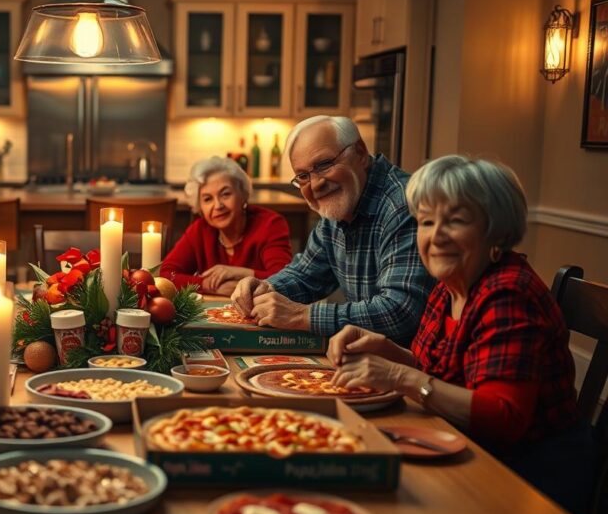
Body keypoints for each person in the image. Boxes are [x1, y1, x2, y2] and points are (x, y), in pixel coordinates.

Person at [326, 155, 590, 514]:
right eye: (426, 221)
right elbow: (440, 370)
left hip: (528, 480)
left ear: (496, 232)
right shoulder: (451, 284)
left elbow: (504, 417)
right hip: (469, 450)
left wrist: (399, 376)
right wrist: (385, 348)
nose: (436, 236)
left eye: (456, 221)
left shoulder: (507, 294)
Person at [231, 116, 433, 345]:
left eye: (324, 165)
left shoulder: (404, 204)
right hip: (368, 359)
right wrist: (265, 287)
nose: (316, 184)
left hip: (412, 368)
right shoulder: (340, 205)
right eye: (303, 176)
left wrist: (301, 316)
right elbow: (306, 275)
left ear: (359, 152)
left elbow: (400, 312)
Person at [159, 156, 291, 295]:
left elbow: (285, 279)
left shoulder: (270, 224)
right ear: (200, 207)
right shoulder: (199, 230)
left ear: (243, 194)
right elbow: (167, 274)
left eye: (225, 194)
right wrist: (207, 285)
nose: (218, 205)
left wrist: (239, 274)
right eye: (207, 199)